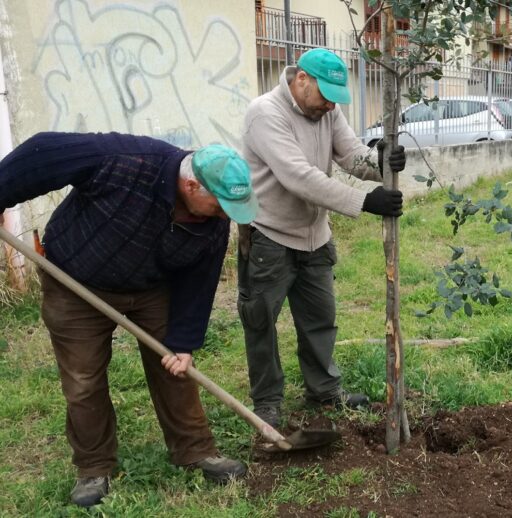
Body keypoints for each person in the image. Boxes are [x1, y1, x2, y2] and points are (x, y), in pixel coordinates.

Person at [0, 132, 259, 507]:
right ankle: (94, 467)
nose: (225, 215)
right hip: (75, 280)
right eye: (220, 204)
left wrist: (183, 343)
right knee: (83, 378)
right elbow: (41, 152)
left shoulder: (213, 221)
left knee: (174, 365)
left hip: (152, 285)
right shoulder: (124, 160)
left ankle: (194, 449)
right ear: (190, 185)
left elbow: (197, 283)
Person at [239, 48, 406, 427]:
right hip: (269, 235)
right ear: (301, 80)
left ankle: (324, 389)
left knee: (320, 319)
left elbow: (350, 154)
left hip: (315, 237)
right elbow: (298, 176)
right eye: (325, 96)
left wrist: (381, 163)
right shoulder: (265, 113)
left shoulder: (326, 109)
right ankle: (267, 400)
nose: (331, 106)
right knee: (261, 321)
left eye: (335, 98)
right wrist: (363, 201)